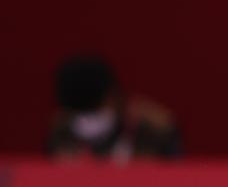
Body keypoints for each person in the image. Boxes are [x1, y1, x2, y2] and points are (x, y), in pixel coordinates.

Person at [47, 54, 182, 162]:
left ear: (111, 96)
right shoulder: (62, 130)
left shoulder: (152, 128)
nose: (89, 122)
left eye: (95, 111)